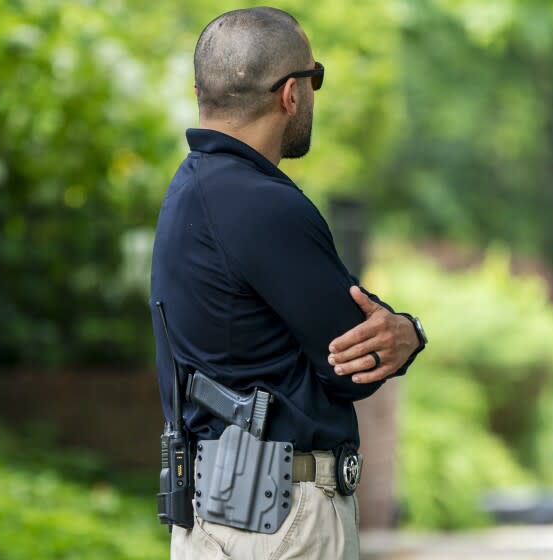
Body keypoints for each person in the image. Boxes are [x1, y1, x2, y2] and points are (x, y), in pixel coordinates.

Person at [149, 7, 426, 560]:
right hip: (281, 522)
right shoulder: (264, 204)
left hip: (216, 515)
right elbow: (357, 368)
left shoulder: (187, 192)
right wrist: (409, 331)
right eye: (315, 77)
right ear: (291, 93)